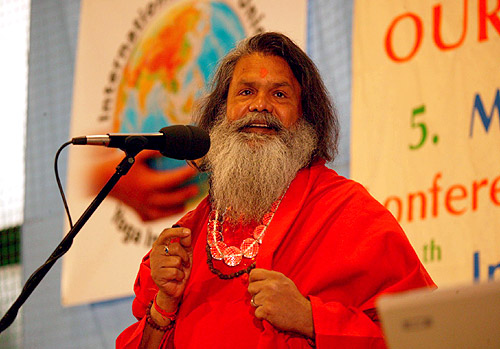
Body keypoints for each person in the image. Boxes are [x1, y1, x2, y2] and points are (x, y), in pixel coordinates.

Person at [116, 32, 435, 348]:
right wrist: (163, 308)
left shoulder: (350, 214)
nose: (260, 106)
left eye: (279, 95)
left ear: (305, 117)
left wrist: (310, 319)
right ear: (220, 114)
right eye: (245, 92)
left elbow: (423, 335)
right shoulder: (187, 236)